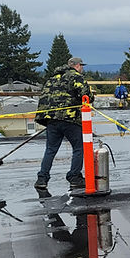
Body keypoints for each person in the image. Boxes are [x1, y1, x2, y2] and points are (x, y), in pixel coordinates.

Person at [34, 57, 94, 190]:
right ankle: (74, 177)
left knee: (50, 149)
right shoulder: (76, 77)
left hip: (51, 119)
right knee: (79, 148)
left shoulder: (52, 79)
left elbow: (44, 98)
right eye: (81, 66)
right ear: (77, 66)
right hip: (70, 119)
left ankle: (42, 178)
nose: (82, 68)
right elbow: (87, 97)